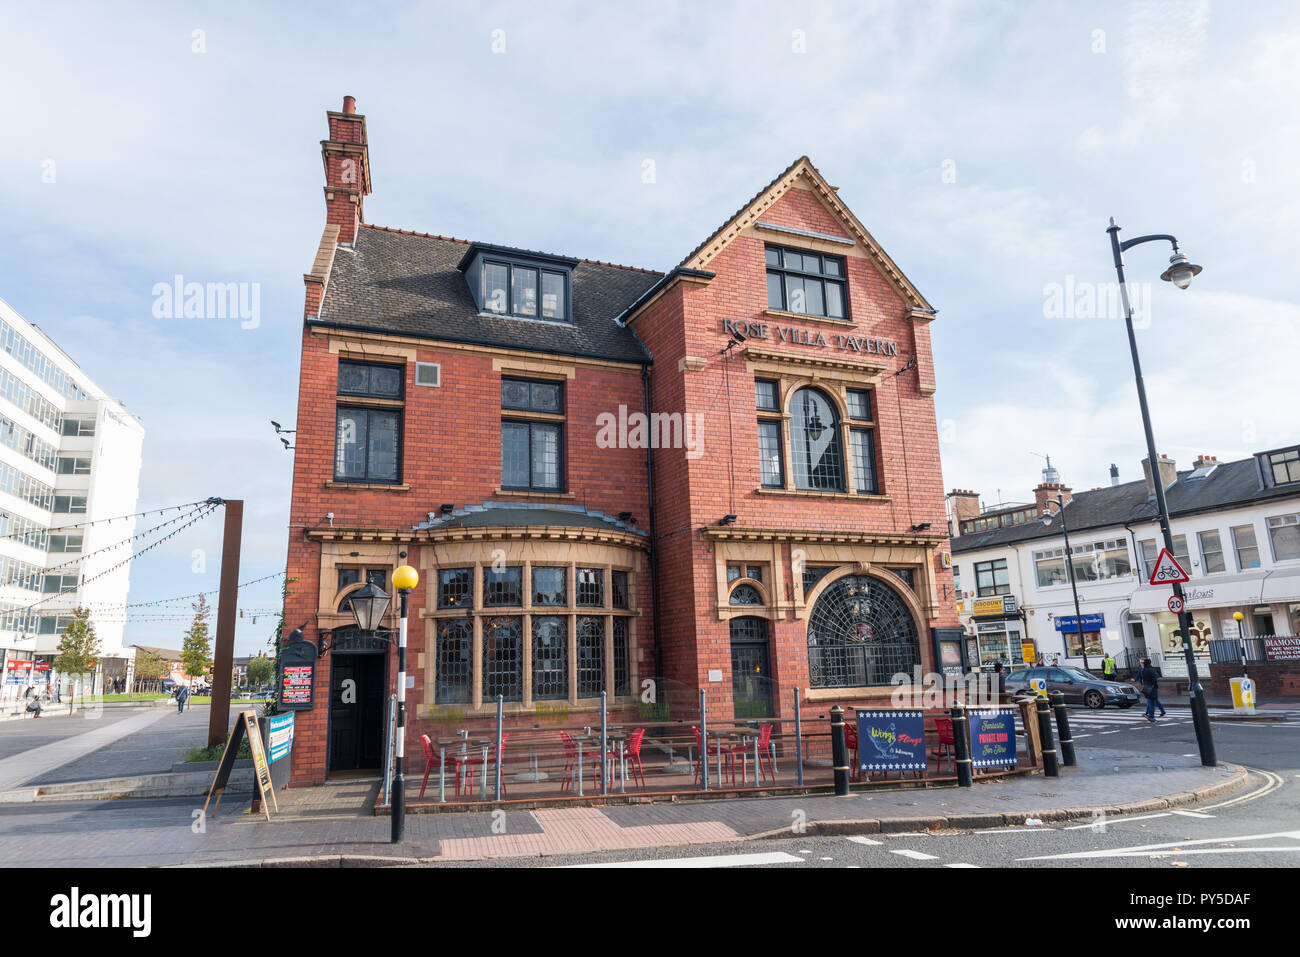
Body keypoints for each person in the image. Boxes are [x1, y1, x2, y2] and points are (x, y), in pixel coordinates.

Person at [1135, 657, 1166, 721]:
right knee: (1152, 702)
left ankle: (1149, 714)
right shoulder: (1151, 670)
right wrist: (1155, 685)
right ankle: (1151, 716)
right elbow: (1154, 679)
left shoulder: (1143, 670)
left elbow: (1141, 679)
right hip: (1152, 687)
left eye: (1142, 662)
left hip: (1146, 687)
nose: (1141, 663)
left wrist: (1143, 684)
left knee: (1151, 701)